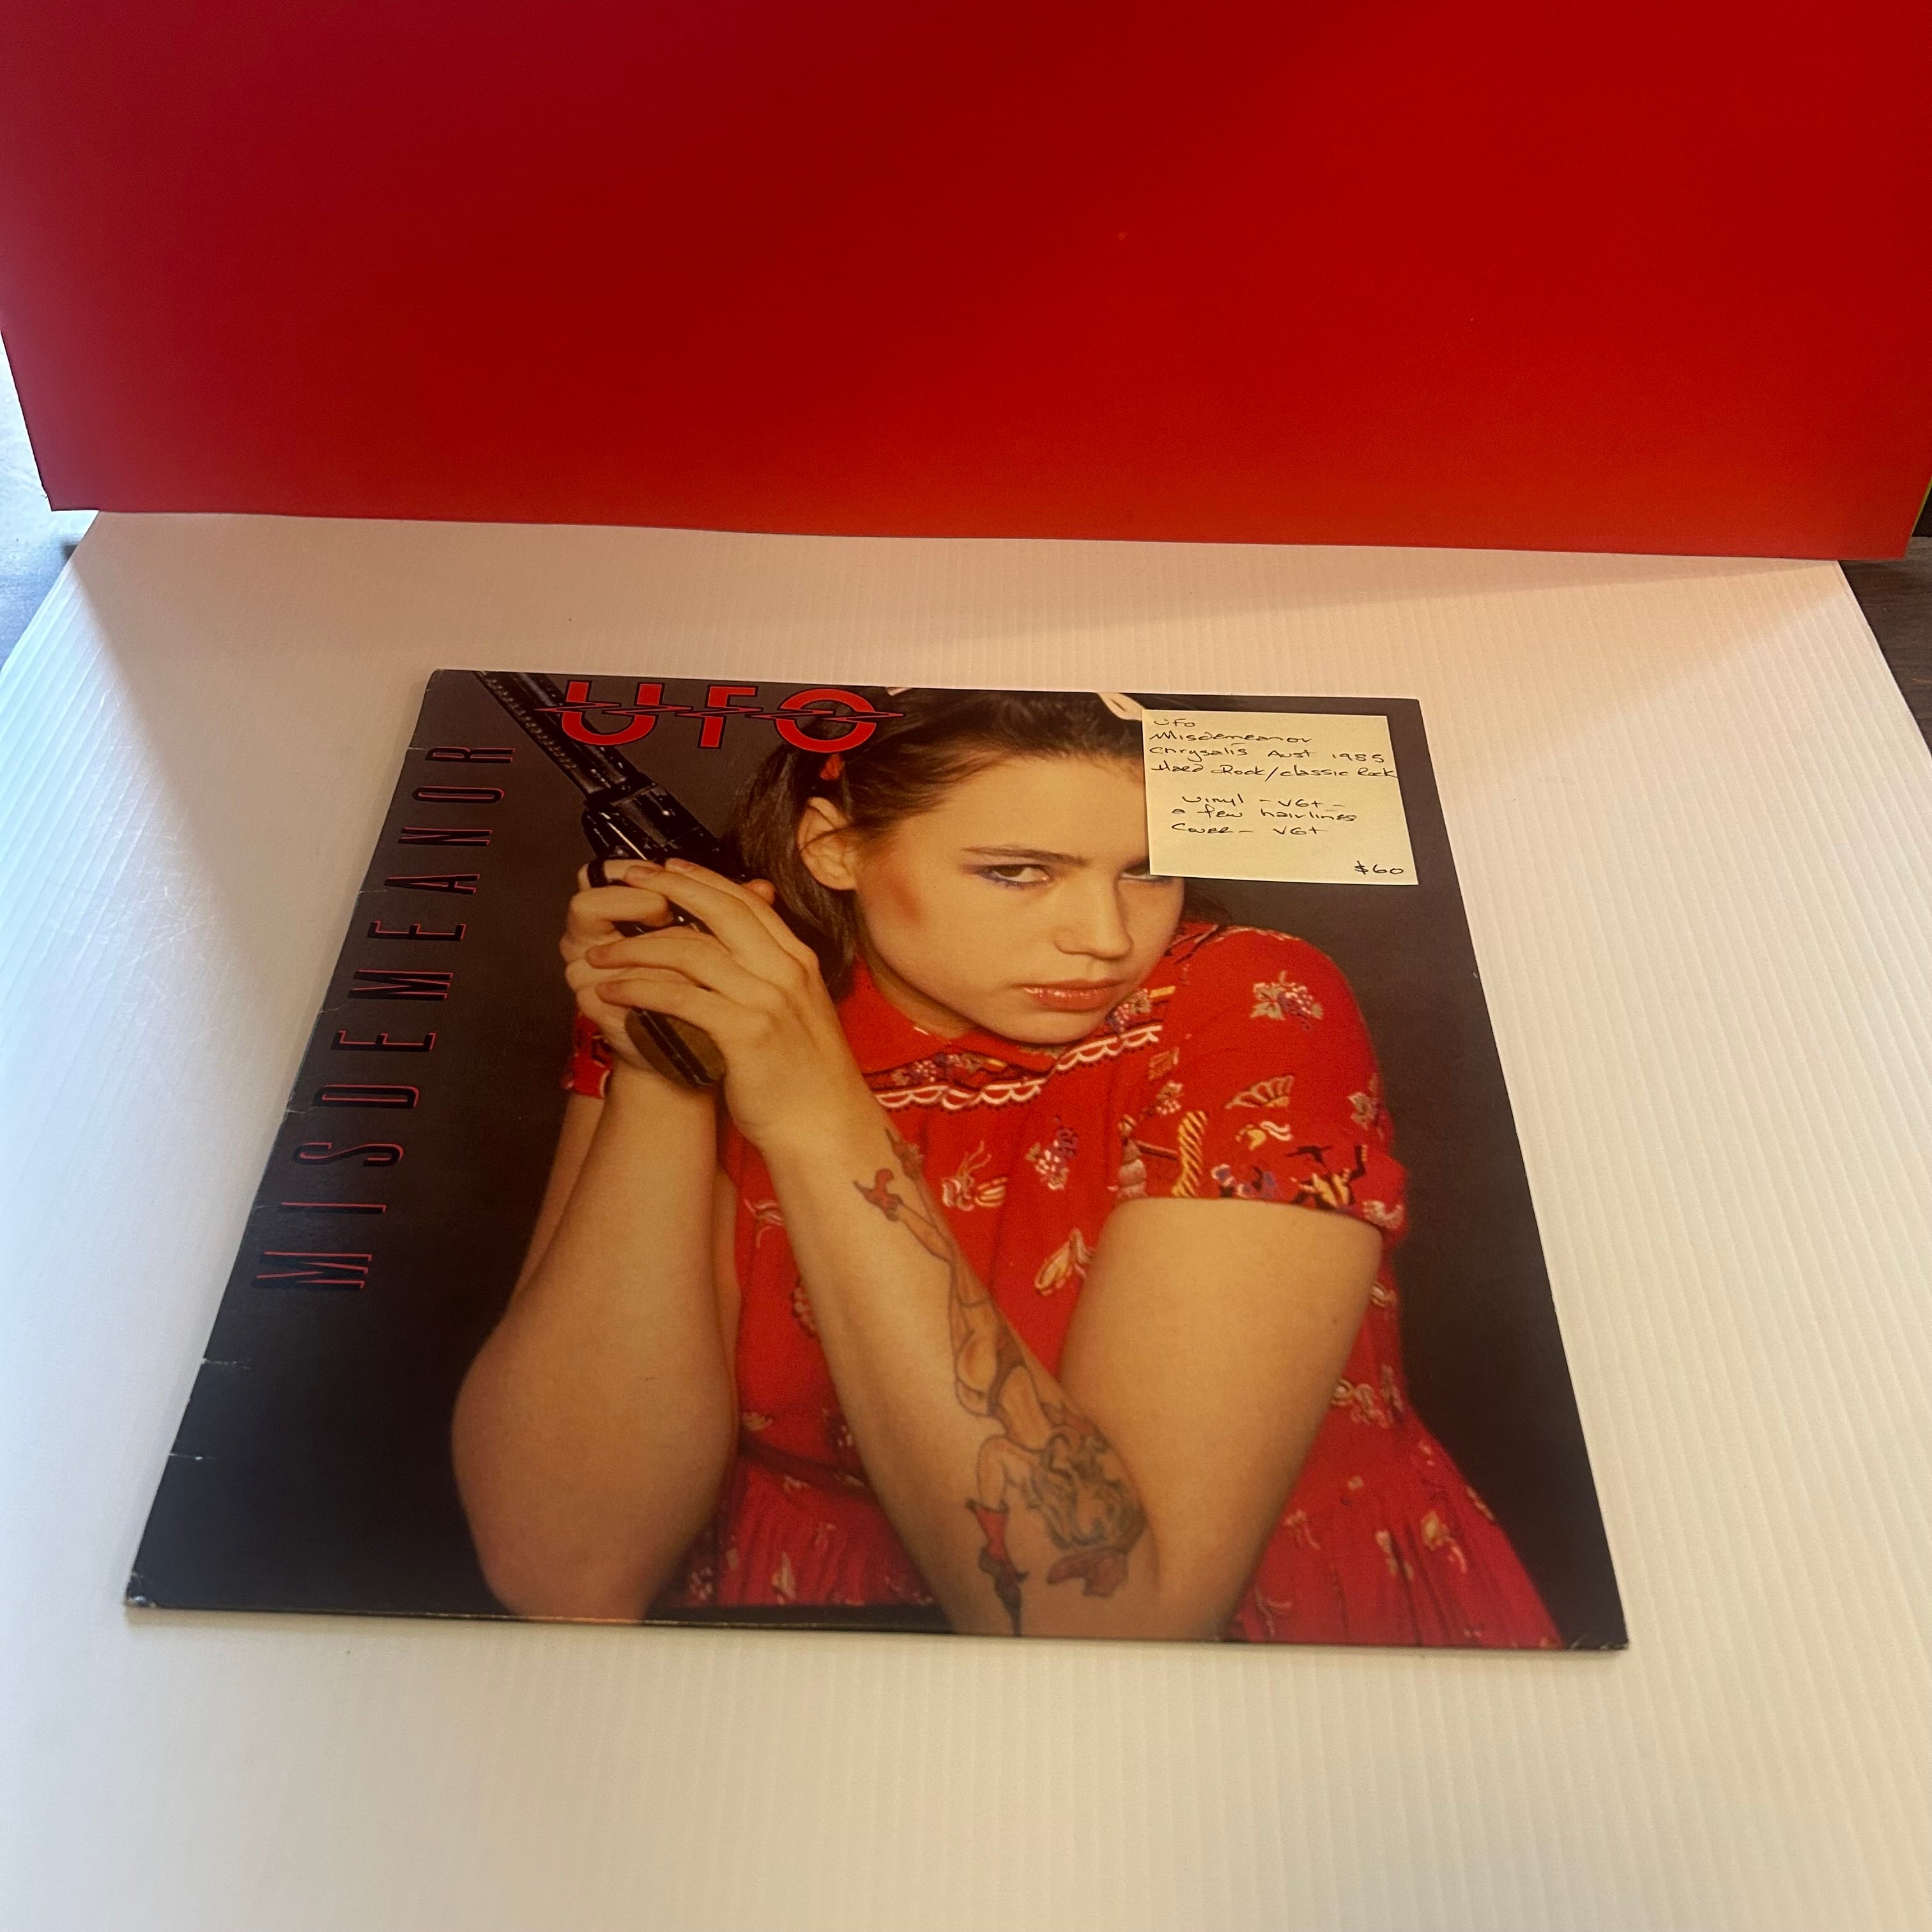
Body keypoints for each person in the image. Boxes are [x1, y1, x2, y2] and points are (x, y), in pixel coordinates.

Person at [451, 691, 1558, 1645]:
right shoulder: (730, 998)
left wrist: (819, 1118)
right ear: (835, 847)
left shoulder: (1245, 1005)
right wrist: (666, 1070)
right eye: (1019, 873)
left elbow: (1114, 1622)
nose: (1104, 937)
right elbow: (567, 1573)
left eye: (1149, 871)